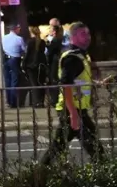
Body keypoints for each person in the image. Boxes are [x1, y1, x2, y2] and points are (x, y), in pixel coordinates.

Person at [40, 22, 103, 165]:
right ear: (73, 37)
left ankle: (37, 177)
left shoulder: (82, 57)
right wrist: (73, 114)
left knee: (58, 149)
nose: (88, 37)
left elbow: (79, 80)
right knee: (95, 151)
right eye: (83, 34)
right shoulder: (72, 58)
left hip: (78, 109)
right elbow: (66, 84)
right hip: (72, 110)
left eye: (88, 34)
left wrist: (98, 83)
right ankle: (36, 179)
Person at [1, 23, 26, 108]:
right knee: (14, 81)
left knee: (7, 81)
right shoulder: (19, 39)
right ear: (16, 29)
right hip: (15, 60)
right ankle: (14, 102)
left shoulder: (4, 37)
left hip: (6, 59)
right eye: (19, 28)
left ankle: (8, 101)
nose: (20, 30)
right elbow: (24, 49)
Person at [23, 26, 48, 108]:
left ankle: (36, 102)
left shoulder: (30, 42)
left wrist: (23, 65)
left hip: (31, 66)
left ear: (31, 32)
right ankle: (41, 102)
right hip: (41, 65)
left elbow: (27, 55)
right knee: (41, 83)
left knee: (34, 84)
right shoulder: (42, 42)